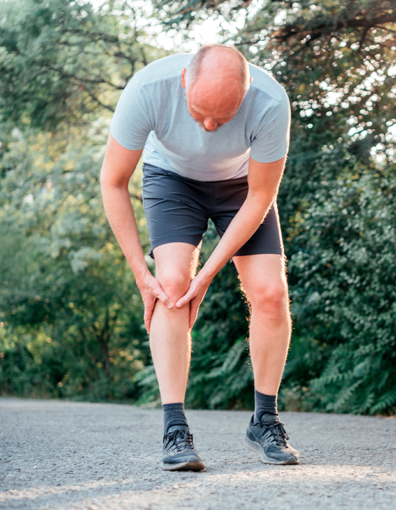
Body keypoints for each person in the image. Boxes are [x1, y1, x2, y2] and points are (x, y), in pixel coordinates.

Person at [100, 44, 298, 471]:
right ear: (185, 81)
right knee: (171, 285)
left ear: (244, 96)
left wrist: (207, 274)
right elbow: (113, 181)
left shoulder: (269, 101)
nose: (209, 127)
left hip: (242, 187)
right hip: (171, 181)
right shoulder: (148, 89)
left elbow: (262, 193)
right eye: (199, 112)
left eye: (223, 117)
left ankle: (265, 420)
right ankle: (175, 428)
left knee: (269, 292)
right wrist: (141, 273)